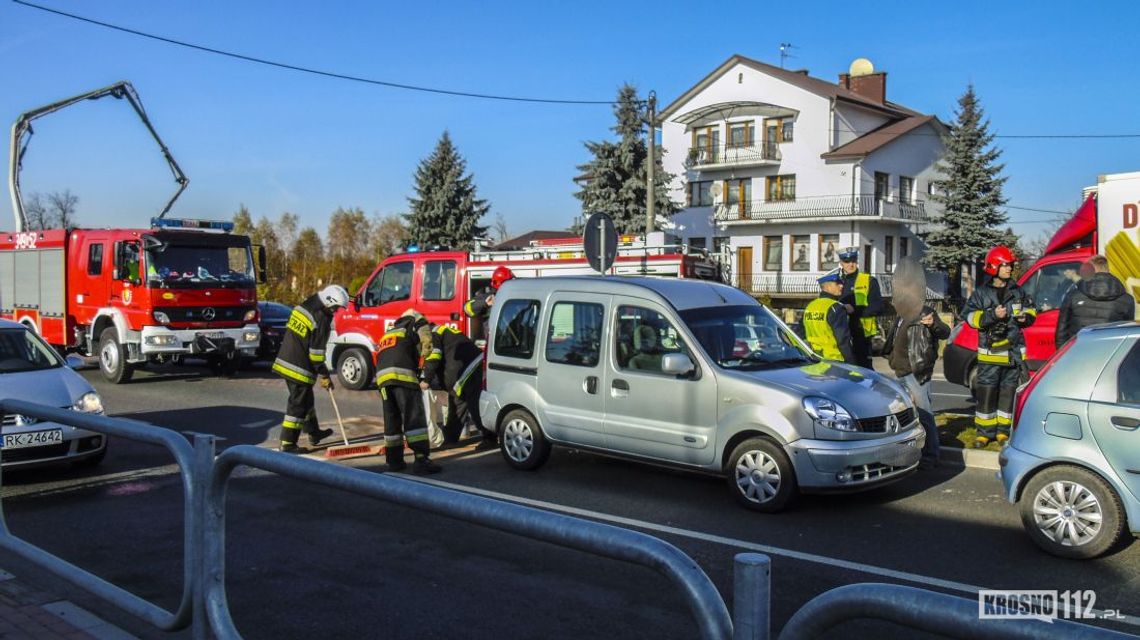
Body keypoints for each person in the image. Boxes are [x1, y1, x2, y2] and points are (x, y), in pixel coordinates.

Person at [963, 246, 1036, 448]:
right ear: (994, 267)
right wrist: (992, 316)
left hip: (1012, 354)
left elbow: (1032, 311)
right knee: (986, 394)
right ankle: (984, 433)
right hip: (991, 354)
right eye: (1006, 265)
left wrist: (1025, 317)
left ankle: (1003, 432)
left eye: (1011, 265)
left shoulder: (1018, 292)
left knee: (1008, 393)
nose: (1009, 269)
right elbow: (968, 317)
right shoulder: (981, 293)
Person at [271, 285, 348, 453]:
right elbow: (316, 354)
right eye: (335, 308)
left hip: (286, 359)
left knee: (306, 400)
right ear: (329, 302)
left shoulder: (305, 306)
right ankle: (287, 443)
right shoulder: (321, 318)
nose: (335, 311)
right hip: (299, 368)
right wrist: (325, 374)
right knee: (297, 405)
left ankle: (314, 432)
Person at [375, 309, 441, 474]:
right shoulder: (416, 321)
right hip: (402, 374)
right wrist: (423, 358)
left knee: (392, 419)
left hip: (382, 379)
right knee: (413, 417)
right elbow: (427, 342)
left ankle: (394, 461)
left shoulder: (389, 332)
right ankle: (421, 460)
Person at [886, 306, 951, 469]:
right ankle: (907, 451)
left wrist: (933, 323)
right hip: (900, 371)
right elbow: (894, 340)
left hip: (916, 372)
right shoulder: (901, 313)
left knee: (924, 414)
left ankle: (931, 455)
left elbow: (944, 331)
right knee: (901, 414)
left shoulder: (924, 311)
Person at [423, 323, 496, 450]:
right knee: (457, 405)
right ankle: (450, 438)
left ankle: (490, 438)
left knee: (474, 405)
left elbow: (434, 358)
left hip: (469, 370)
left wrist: (426, 380)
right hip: (469, 368)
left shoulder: (434, 335)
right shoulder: (443, 331)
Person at [1055, 254, 1136, 347]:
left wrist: (1064, 355)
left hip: (1077, 353)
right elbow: (1127, 335)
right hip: (1109, 355)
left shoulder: (1073, 295)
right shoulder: (1127, 299)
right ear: (1108, 270)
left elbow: (1061, 333)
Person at [837, 247, 884, 369]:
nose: (851, 264)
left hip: (862, 334)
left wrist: (855, 311)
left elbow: (878, 306)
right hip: (841, 334)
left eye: (853, 260)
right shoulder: (836, 282)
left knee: (865, 370)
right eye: (847, 262)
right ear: (841, 263)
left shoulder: (868, 280)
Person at [803, 269, 855, 363]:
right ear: (827, 286)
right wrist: (852, 364)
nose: (841, 286)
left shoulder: (810, 306)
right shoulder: (835, 308)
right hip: (835, 360)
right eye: (837, 283)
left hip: (814, 359)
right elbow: (843, 340)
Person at [464, 265, 515, 339]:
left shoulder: (513, 297)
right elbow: (467, 308)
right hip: (494, 341)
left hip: (512, 342)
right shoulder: (488, 298)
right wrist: (485, 303)